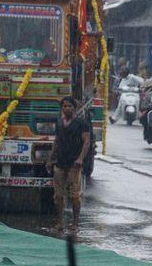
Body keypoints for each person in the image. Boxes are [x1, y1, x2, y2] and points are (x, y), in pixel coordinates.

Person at [46, 97, 91, 232]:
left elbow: (87, 142)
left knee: (74, 196)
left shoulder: (81, 124)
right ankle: (60, 223)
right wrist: (50, 159)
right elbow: (57, 142)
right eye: (64, 106)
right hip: (60, 163)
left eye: (69, 106)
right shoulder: (60, 123)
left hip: (74, 164)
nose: (67, 109)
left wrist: (80, 159)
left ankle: (75, 224)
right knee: (58, 195)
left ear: (74, 108)